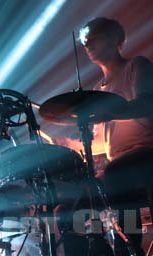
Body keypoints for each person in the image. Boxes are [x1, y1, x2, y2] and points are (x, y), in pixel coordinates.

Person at [55, 17, 153, 255]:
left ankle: (127, 247)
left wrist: (108, 111)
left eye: (94, 37)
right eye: (85, 41)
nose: (87, 44)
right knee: (69, 208)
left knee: (115, 174)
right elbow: (103, 141)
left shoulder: (136, 66)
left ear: (115, 38)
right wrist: (67, 143)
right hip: (117, 161)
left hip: (146, 153)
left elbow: (148, 104)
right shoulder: (100, 90)